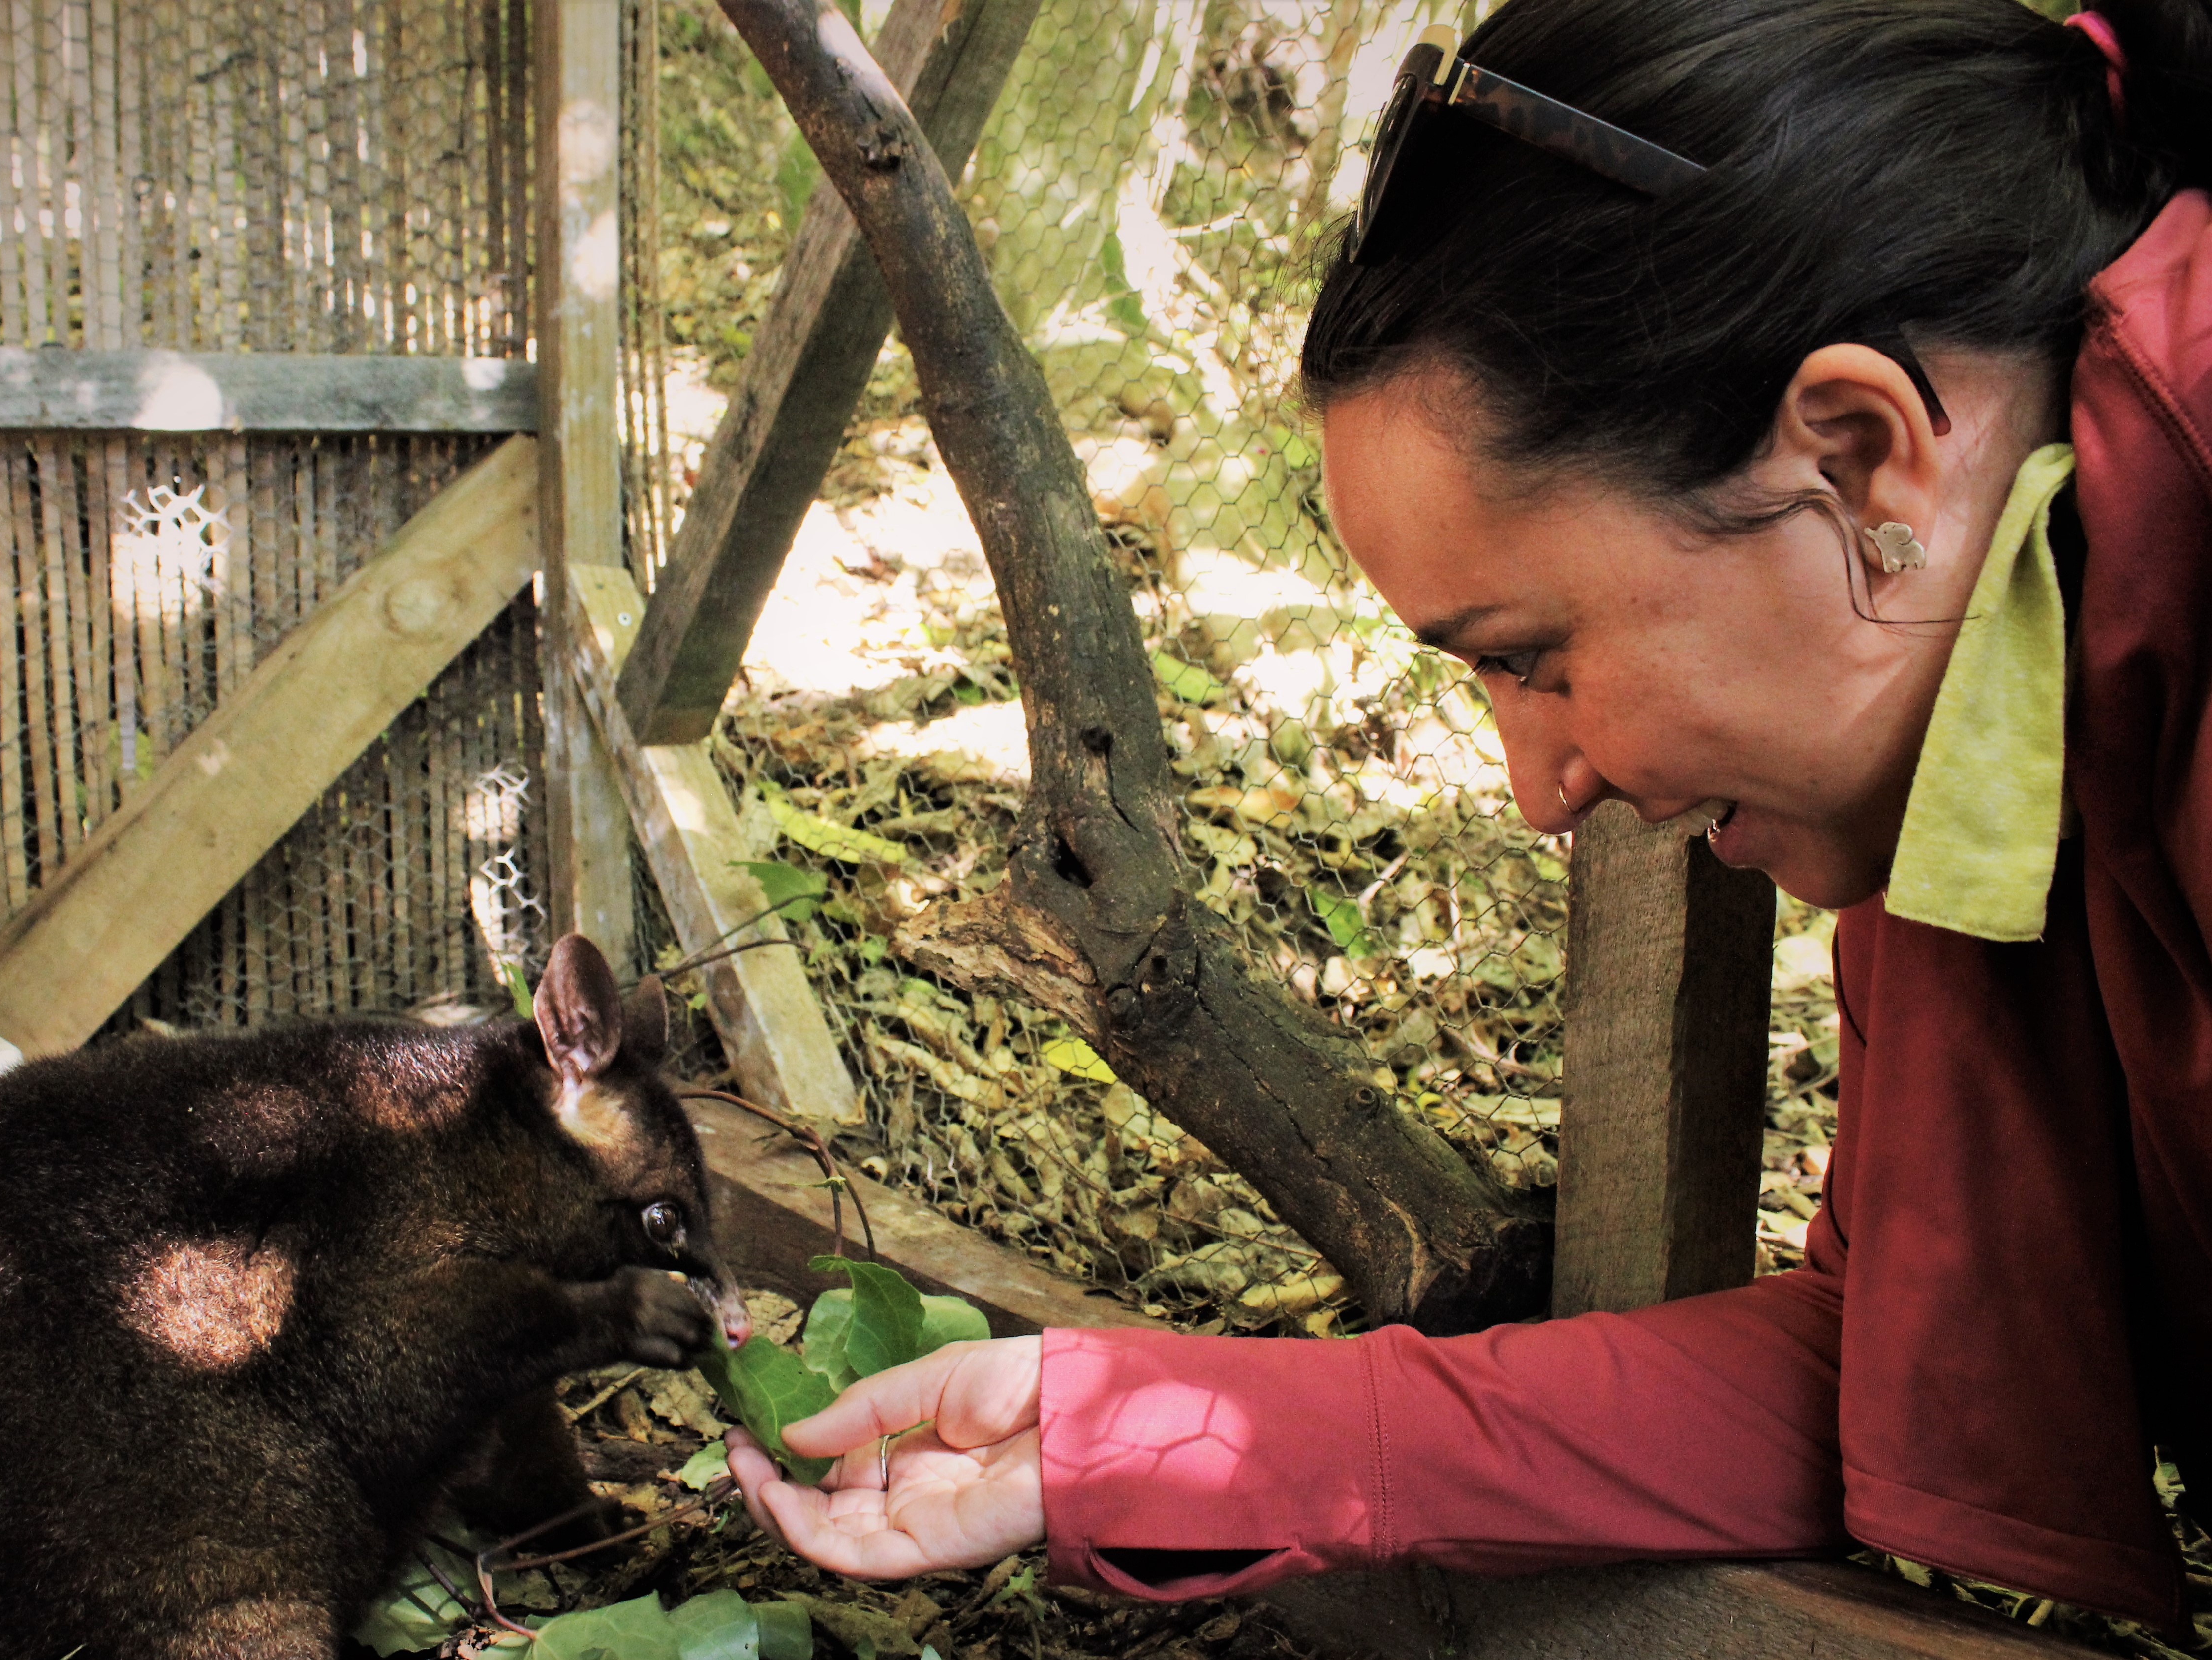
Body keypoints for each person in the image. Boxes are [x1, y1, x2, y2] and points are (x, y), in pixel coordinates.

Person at [724, 0, 2212, 1628]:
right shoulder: (1993, 718)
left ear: (1863, 465)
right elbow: (1894, 1358)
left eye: (1533, 658)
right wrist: (1129, 1430)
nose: (1539, 790)